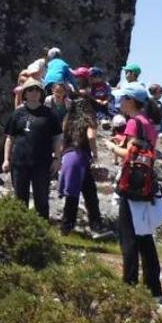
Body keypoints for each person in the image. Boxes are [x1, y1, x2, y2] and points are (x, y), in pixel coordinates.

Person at [106, 83, 162, 297]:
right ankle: (153, 286)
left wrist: (112, 147)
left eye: (122, 99)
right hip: (145, 185)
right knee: (144, 235)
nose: (120, 102)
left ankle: (129, 285)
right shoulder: (148, 123)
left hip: (130, 186)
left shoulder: (132, 123)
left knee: (128, 237)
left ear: (131, 101)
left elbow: (128, 154)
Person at [2, 78, 62, 219]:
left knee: (41, 199)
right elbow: (9, 138)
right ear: (25, 94)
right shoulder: (17, 114)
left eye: (37, 90)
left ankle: (41, 231)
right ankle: (21, 229)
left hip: (42, 162)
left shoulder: (49, 114)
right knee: (19, 199)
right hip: (19, 162)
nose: (34, 93)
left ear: (41, 93)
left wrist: (57, 158)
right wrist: (6, 159)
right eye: (30, 90)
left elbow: (57, 138)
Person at [58, 99, 110, 237]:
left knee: (78, 191)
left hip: (68, 157)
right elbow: (91, 136)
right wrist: (95, 155)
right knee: (87, 194)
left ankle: (69, 226)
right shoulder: (89, 121)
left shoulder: (67, 120)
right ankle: (91, 226)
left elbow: (62, 138)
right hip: (81, 157)